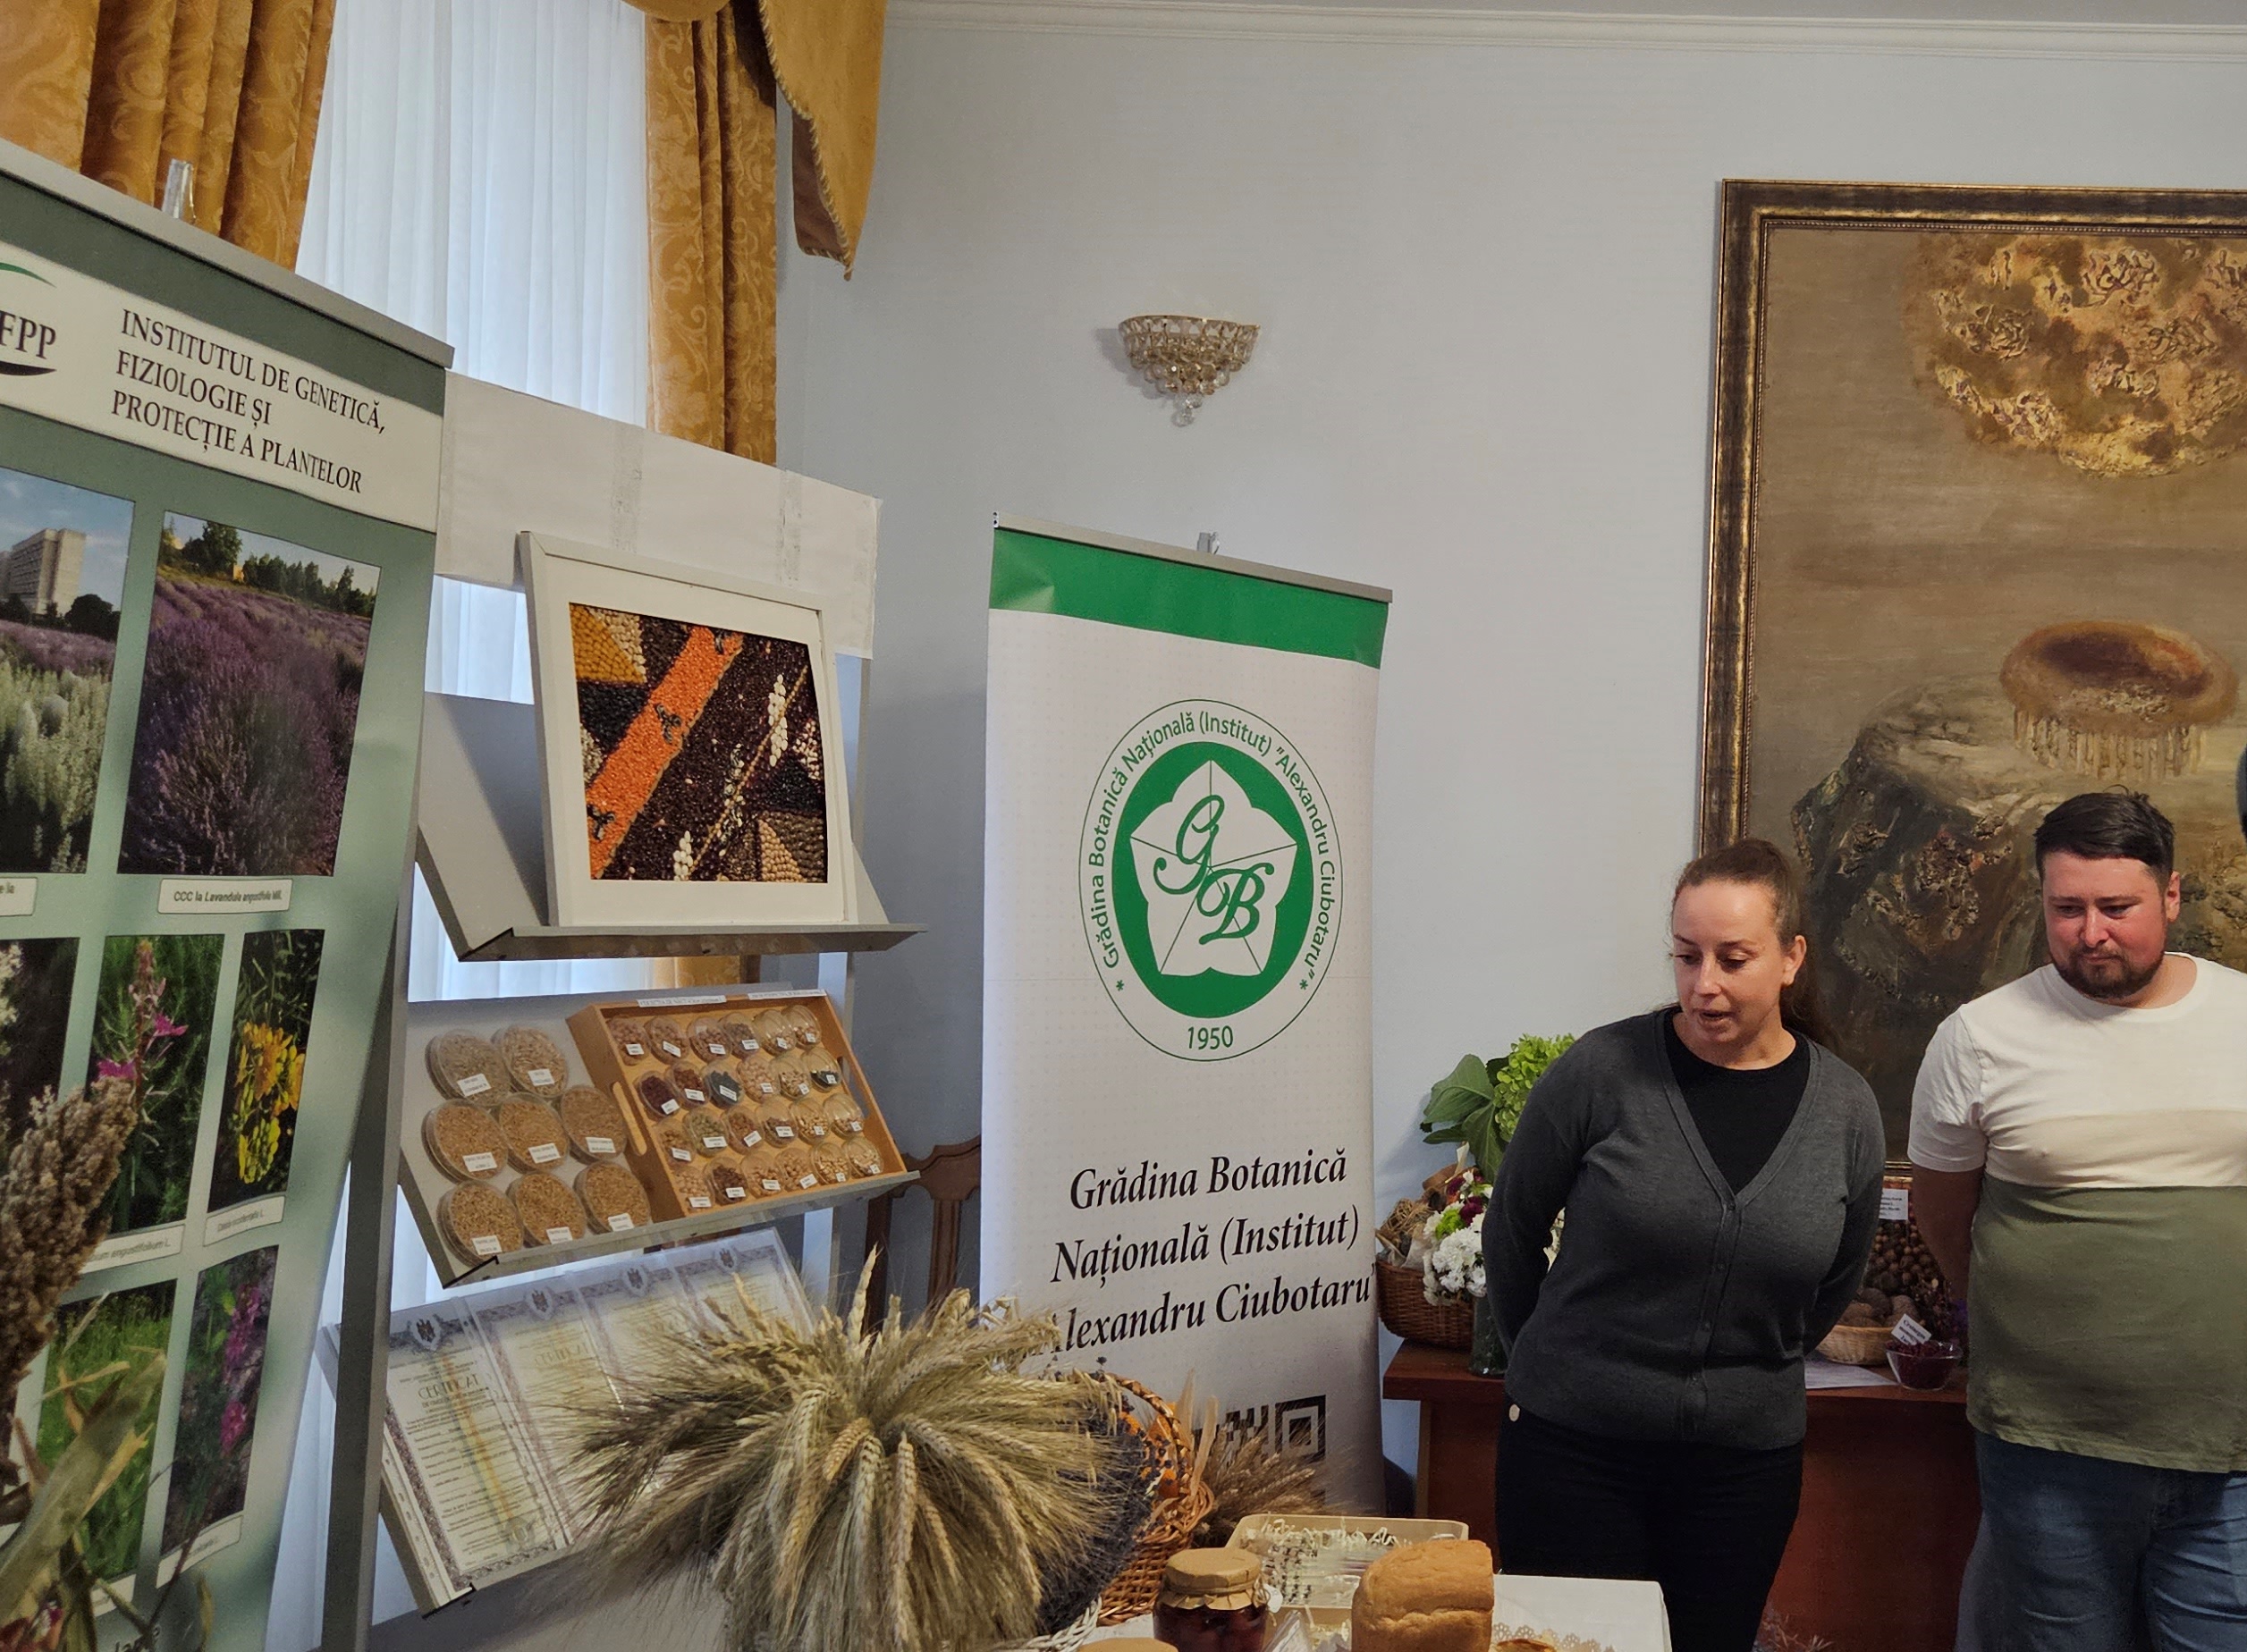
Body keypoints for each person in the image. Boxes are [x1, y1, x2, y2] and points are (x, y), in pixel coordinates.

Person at [1483, 839, 1885, 1652]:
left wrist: (1746, 1369)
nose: (1704, 984)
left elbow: (1834, 1280)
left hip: (1741, 1471)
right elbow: (1512, 1230)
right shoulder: (1600, 1071)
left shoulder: (1845, 1111)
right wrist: (1559, 1365)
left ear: (1790, 959)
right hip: (1571, 1451)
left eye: (1733, 959)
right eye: (1685, 955)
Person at [1910, 790, 2247, 1651]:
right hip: (2047, 1448)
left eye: (2116, 908)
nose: (2090, 933)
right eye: (2066, 908)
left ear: (2171, 895)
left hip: (2229, 1452)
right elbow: (1941, 1211)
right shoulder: (1977, 1037)